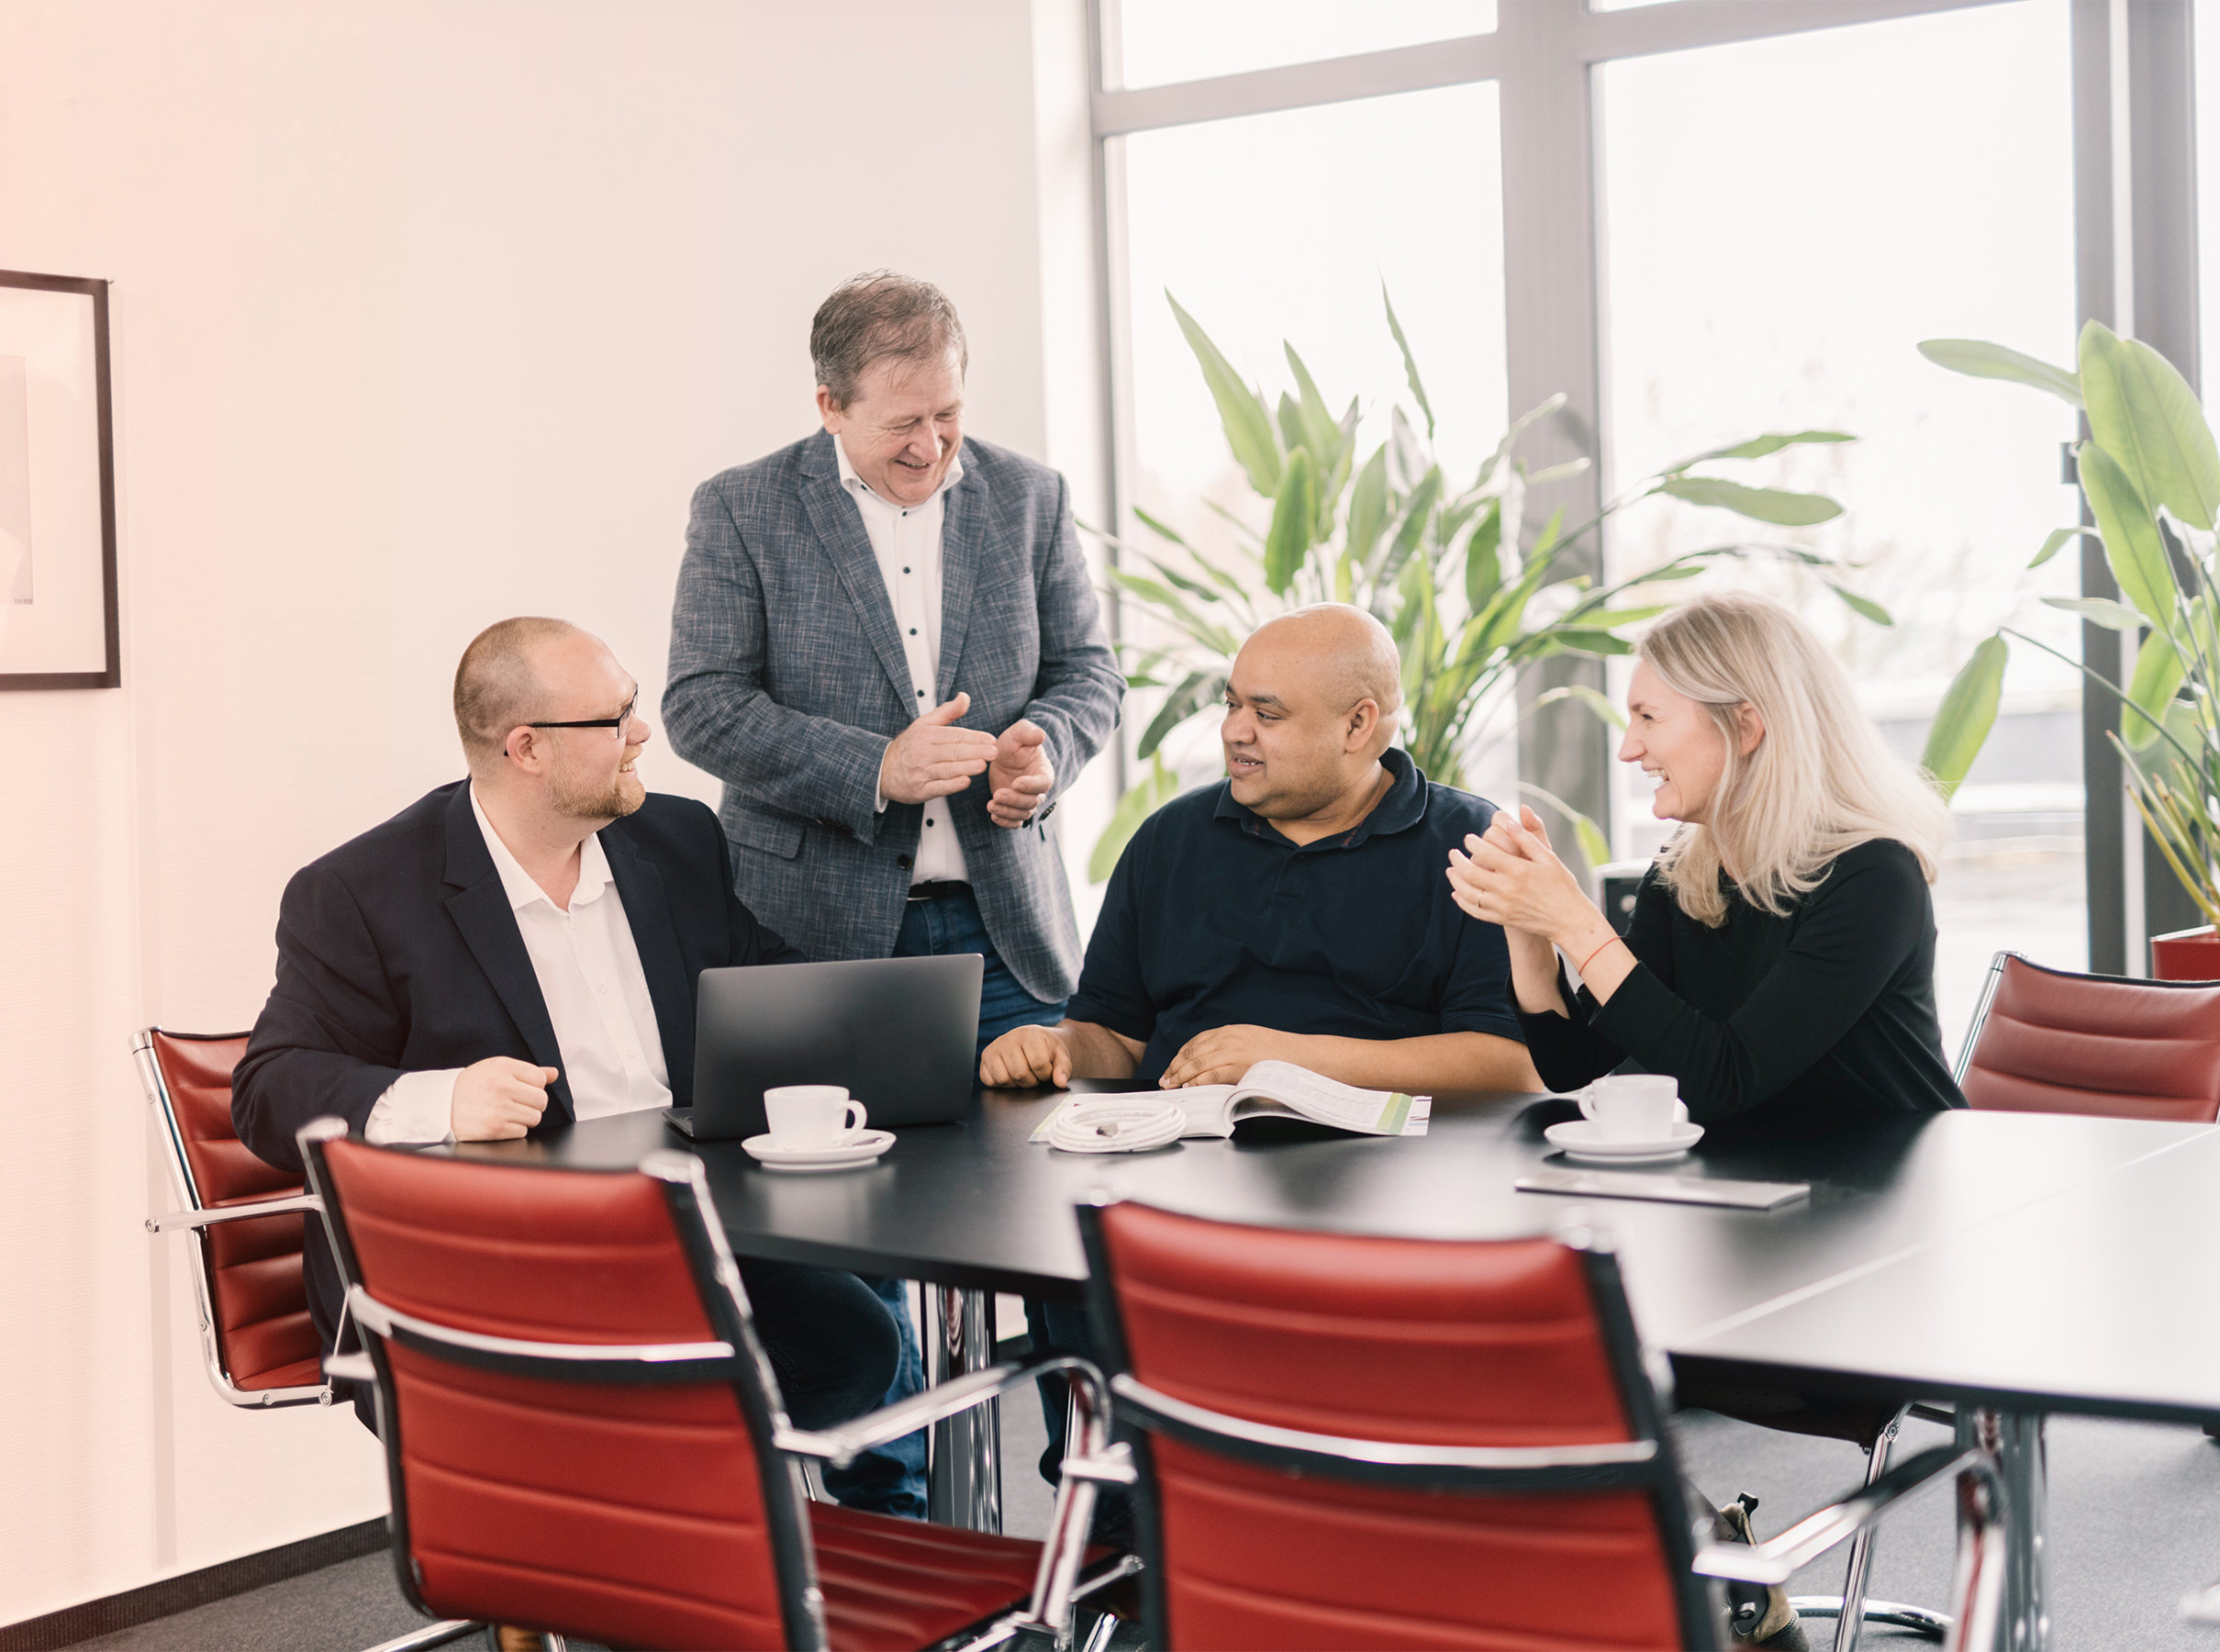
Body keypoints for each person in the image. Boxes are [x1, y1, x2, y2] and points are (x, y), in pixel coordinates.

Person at [232, 617, 913, 1515]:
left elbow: (761, 980)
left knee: (853, 1336)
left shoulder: (674, 840)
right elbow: (268, 1090)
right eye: (617, 717)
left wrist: (892, 1028)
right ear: (527, 750)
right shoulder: (364, 893)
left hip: (683, 1236)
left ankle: (682, 1551)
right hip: (488, 1264)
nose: (644, 734)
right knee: (664, 1388)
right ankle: (628, 1563)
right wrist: (441, 1098)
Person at [664, 268, 1121, 1517]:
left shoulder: (1028, 498)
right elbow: (699, 704)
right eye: (901, 424)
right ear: (829, 406)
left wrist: (1045, 753)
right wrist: (871, 766)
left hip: (1003, 939)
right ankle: (892, 1538)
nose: (932, 446)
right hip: (808, 948)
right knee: (835, 1254)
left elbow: (1090, 675)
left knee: (1075, 1234)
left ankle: (1113, 1533)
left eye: (950, 416)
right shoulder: (745, 510)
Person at [1445, 590, 1963, 1133]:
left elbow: (1725, 1080)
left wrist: (1574, 921)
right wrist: (1528, 923)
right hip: (1761, 1183)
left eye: (1649, 717)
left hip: (1892, 1184)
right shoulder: (1684, 874)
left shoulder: (1874, 877)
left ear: (1744, 727)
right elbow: (1571, 1062)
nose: (1629, 748)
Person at [982, 603, 1538, 1094]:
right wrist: (1056, 1047)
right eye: (1232, 705)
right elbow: (1116, 1039)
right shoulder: (1169, 838)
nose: (1234, 732)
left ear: (1357, 725)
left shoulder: (1471, 844)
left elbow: (1511, 1064)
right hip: (1183, 1155)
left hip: (1383, 1168)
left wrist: (1286, 1061)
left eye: (1267, 715)